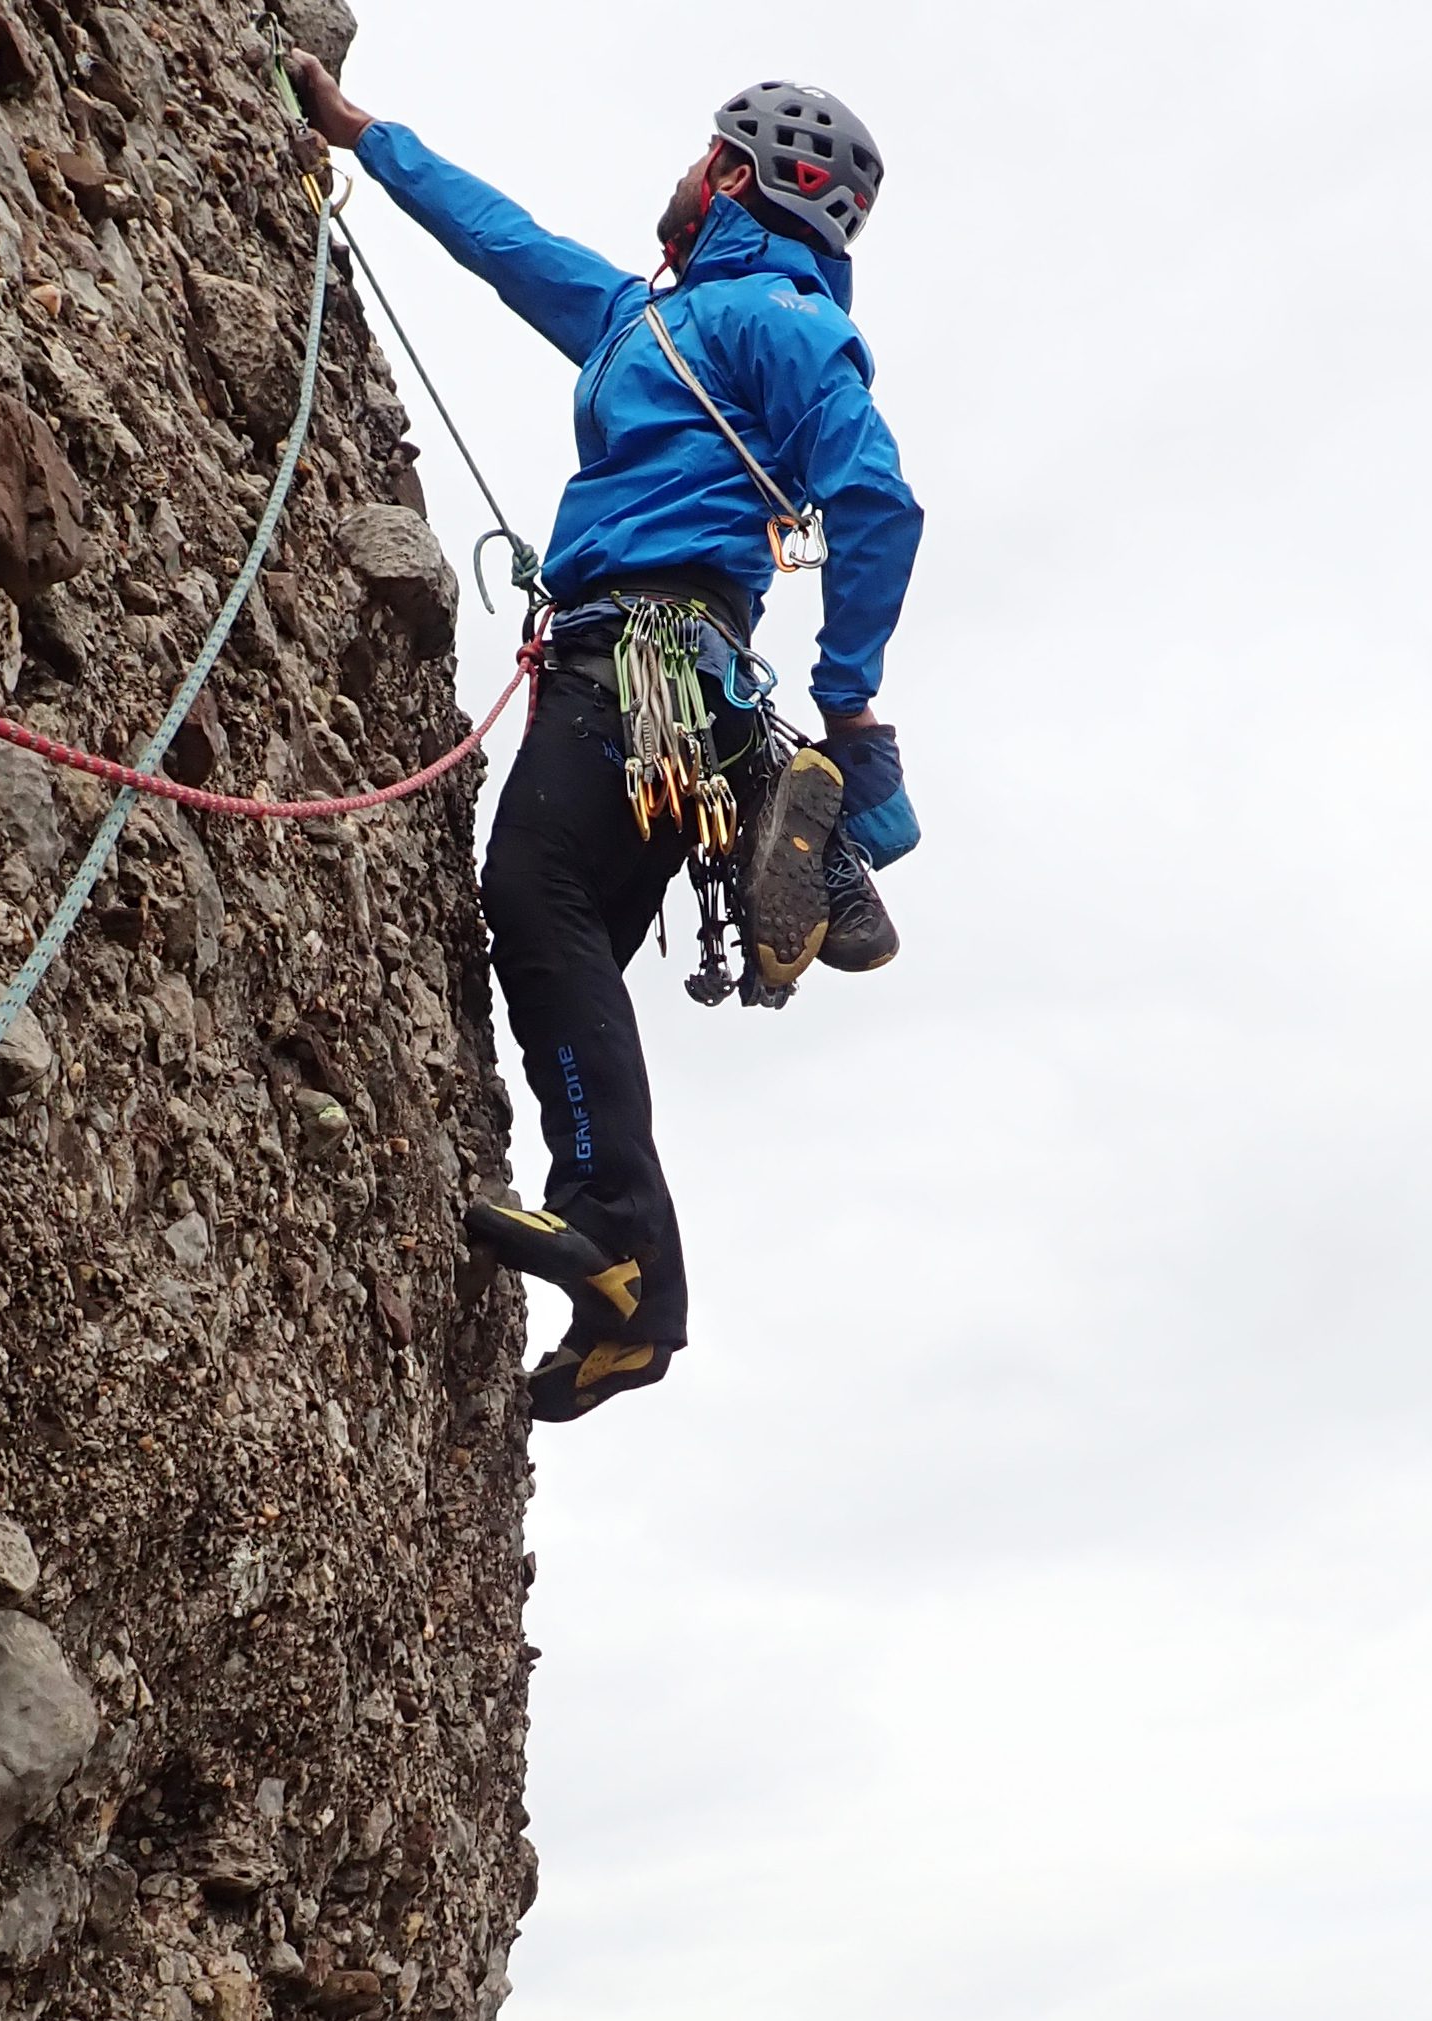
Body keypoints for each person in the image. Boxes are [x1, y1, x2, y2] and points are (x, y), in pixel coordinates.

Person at [288, 58, 925, 1420]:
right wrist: (365, 137)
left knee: (538, 894)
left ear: (739, 179)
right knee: (560, 923)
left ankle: (628, 1245)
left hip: (637, 654)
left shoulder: (767, 319)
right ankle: (632, 1283)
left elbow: (877, 496)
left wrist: (855, 694)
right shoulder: (653, 317)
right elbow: (508, 246)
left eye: (706, 158)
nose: (685, 177)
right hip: (666, 672)